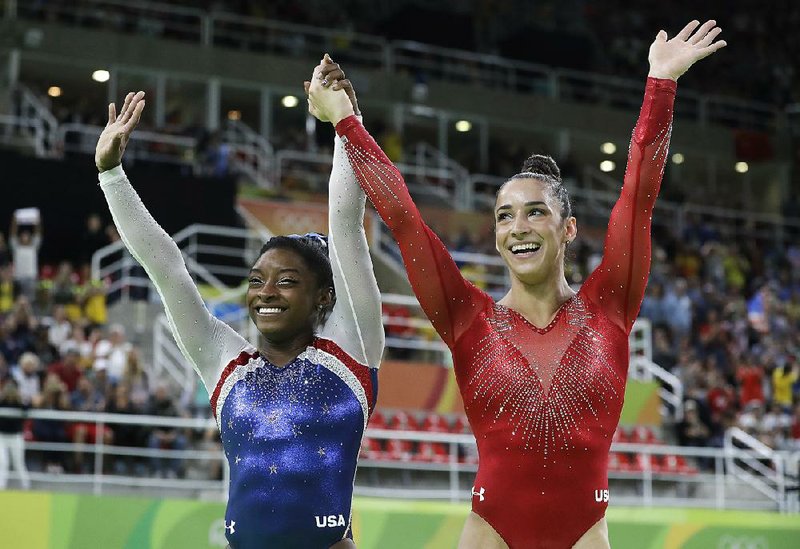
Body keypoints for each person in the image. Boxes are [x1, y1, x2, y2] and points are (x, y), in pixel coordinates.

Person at [309, 20, 726, 548]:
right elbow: (403, 217)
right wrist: (345, 121)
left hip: (585, 537)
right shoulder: (467, 317)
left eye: (535, 213)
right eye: (505, 216)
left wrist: (660, 84)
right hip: (490, 535)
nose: (518, 227)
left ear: (568, 228)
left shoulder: (611, 304)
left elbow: (638, 195)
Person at [94, 76, 383, 547]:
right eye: (256, 280)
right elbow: (166, 267)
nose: (265, 292)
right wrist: (111, 174)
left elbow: (345, 224)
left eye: (287, 281)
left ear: (323, 298)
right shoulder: (227, 366)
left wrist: (344, 123)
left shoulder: (352, 351)